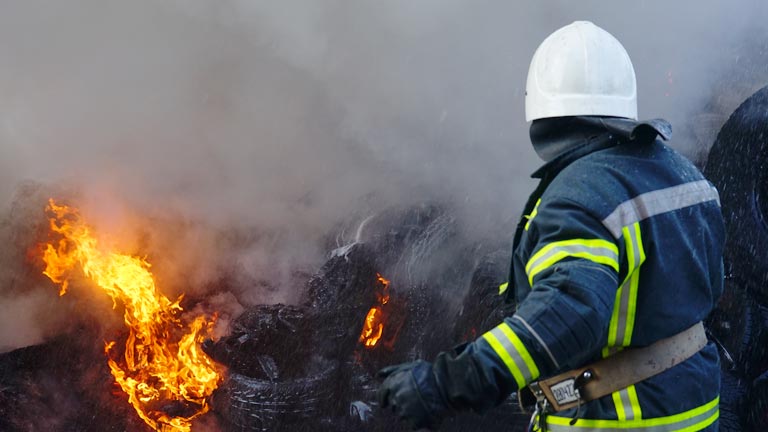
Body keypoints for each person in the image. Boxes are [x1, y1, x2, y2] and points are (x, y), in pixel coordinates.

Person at [378, 21, 724, 431]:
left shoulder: (581, 193)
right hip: (692, 413)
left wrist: (445, 382)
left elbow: (569, 311)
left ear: (540, 107)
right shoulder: (682, 174)